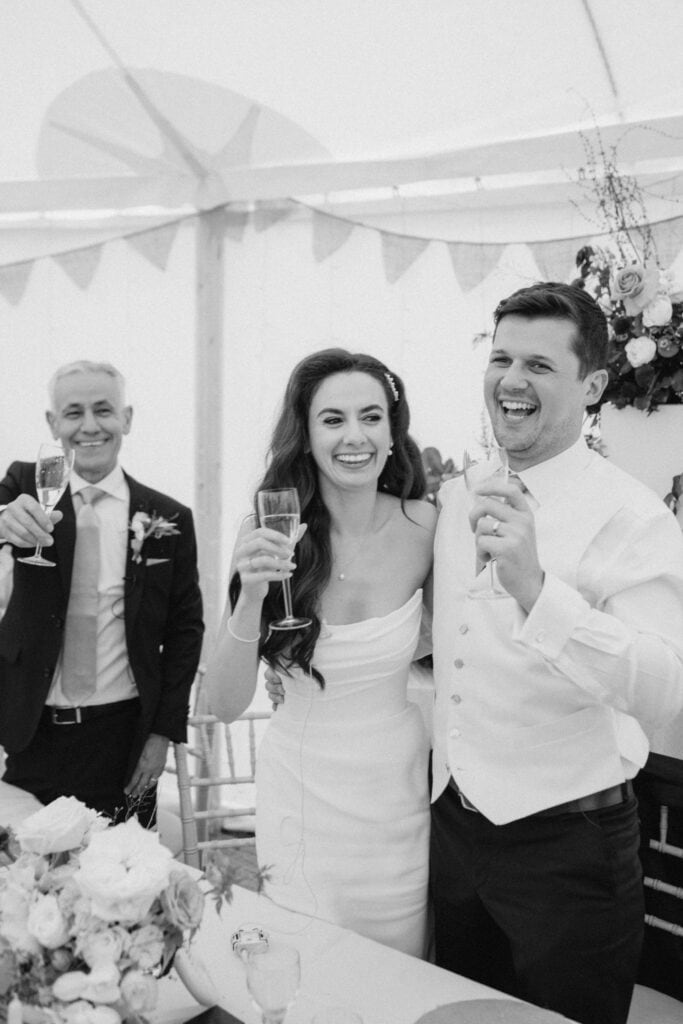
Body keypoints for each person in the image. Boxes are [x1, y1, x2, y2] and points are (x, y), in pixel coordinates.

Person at [430, 282, 683, 1024]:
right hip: (455, 830)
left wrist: (539, 591)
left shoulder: (631, 516)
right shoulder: (456, 496)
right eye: (501, 358)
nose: (511, 380)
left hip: (568, 848)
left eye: (538, 365)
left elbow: (667, 688)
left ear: (593, 386)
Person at [204, 348, 436, 957]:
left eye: (371, 417)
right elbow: (222, 705)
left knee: (399, 973)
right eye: (332, 420)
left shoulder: (430, 527)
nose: (354, 436)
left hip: (397, 799)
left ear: (393, 431)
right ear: (305, 436)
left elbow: (459, 650)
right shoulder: (266, 533)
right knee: (304, 964)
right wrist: (249, 597)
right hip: (302, 797)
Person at [0, 360, 204, 825]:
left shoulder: (168, 517)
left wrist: (162, 735)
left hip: (123, 739)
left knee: (123, 881)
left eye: (103, 410)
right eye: (73, 413)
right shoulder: (25, 485)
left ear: (126, 419)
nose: (89, 426)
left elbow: (185, 630)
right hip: (31, 731)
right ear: (53, 424)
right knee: (25, 883)